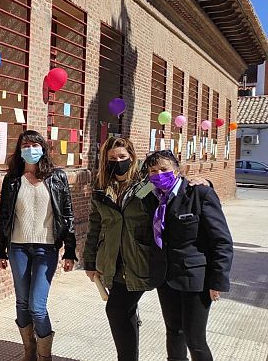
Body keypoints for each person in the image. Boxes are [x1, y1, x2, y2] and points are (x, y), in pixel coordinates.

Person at [84, 137, 211, 361]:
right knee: (119, 311)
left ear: (132, 157)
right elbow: (96, 225)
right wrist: (90, 261)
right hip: (114, 260)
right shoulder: (101, 186)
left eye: (122, 157)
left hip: (142, 259)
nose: (118, 161)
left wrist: (204, 182)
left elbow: (175, 188)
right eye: (112, 158)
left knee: (122, 310)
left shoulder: (145, 184)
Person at [143, 150, 233, 361]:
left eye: (164, 169)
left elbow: (221, 241)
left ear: (177, 169)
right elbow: (131, 195)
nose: (159, 174)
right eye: (153, 171)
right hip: (166, 277)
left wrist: (218, 280)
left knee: (195, 339)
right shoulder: (150, 193)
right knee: (174, 332)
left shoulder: (198, 194)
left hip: (195, 279)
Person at [0, 130, 77, 361]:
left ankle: (45, 356)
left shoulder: (57, 177)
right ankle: (29, 352)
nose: (30, 148)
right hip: (18, 248)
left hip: (46, 248)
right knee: (22, 302)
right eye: (25, 144)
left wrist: (70, 250)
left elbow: (67, 215)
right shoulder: (13, 179)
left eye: (35, 144)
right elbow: (4, 216)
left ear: (43, 147)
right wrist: (0, 249)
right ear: (19, 149)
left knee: (37, 306)